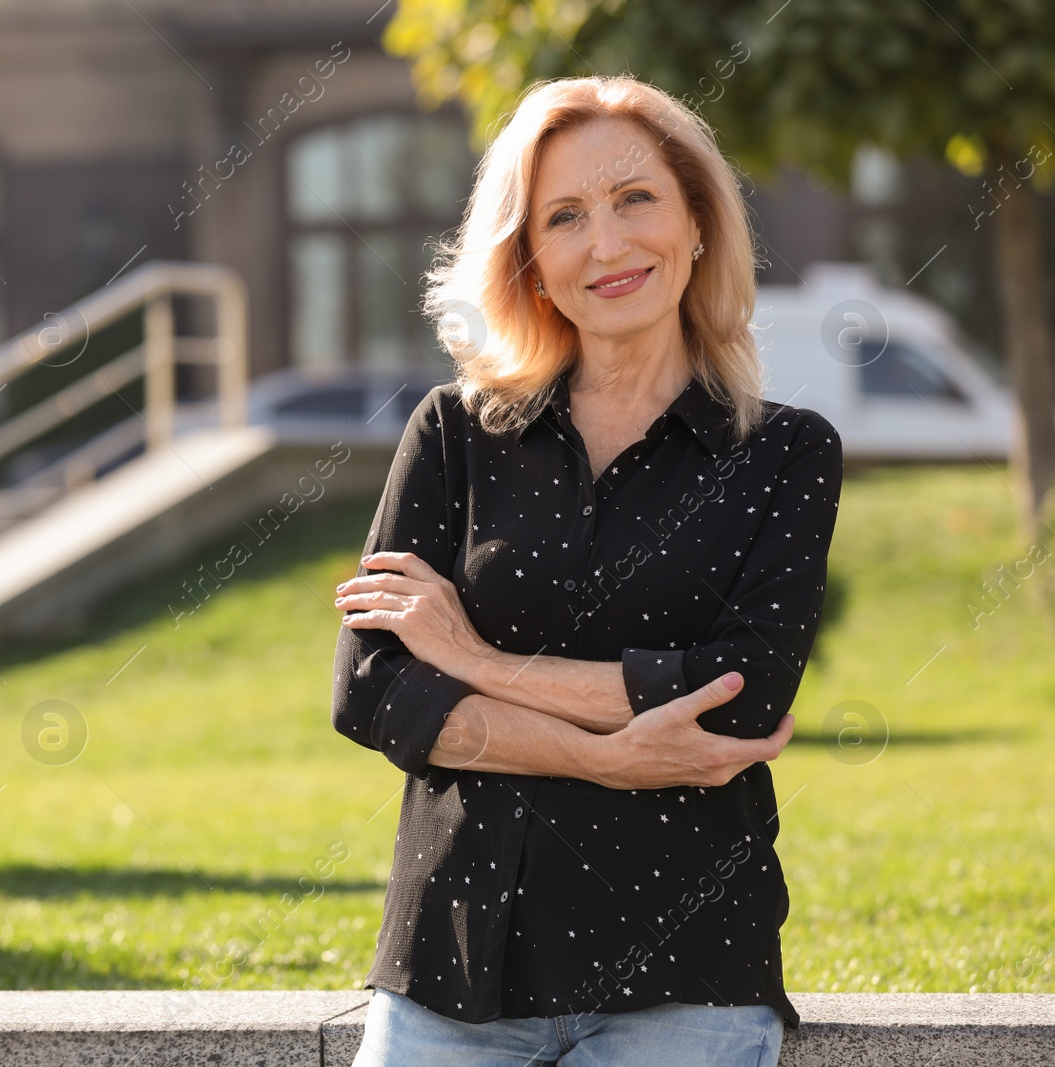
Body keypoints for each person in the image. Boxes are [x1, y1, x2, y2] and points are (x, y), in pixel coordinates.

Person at [330, 74, 842, 1066]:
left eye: (634, 198)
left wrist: (475, 659)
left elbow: (738, 696)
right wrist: (608, 751)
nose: (606, 245)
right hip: (452, 970)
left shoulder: (785, 453)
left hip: (685, 978)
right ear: (529, 261)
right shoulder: (453, 433)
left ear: (696, 221)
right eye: (564, 216)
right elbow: (375, 688)